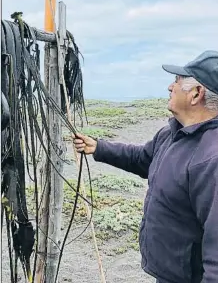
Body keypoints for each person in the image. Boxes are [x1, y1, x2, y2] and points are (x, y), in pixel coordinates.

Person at [73, 50, 218, 283]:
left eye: (177, 82)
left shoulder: (211, 159)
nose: (170, 87)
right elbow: (143, 159)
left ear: (196, 94)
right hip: (168, 274)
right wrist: (99, 148)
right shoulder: (172, 133)